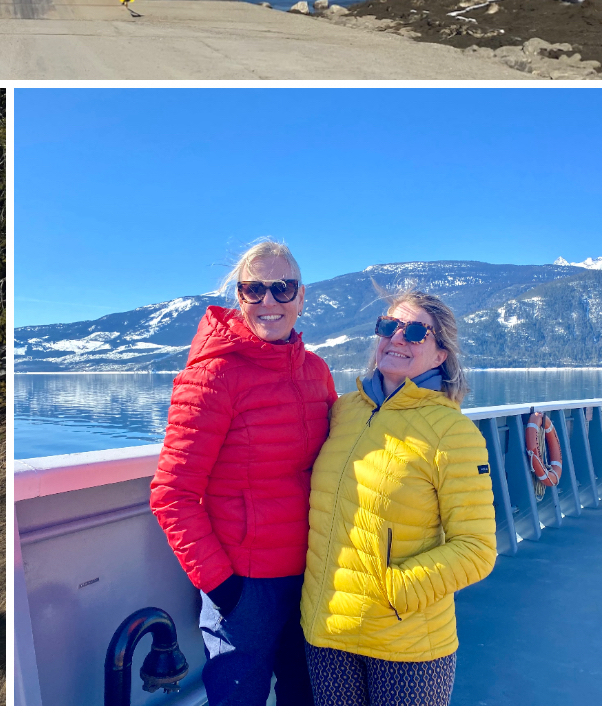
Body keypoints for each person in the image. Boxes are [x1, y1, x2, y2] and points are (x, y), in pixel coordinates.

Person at [151, 240, 337, 705]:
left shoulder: (316, 371)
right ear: (240, 297)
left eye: (282, 288)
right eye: (254, 290)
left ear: (301, 297)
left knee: (307, 697)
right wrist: (221, 586)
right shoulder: (213, 375)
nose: (269, 301)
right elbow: (172, 494)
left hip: (312, 576)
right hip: (245, 586)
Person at [300, 290, 497, 706]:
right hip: (327, 631)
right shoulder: (345, 411)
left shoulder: (452, 433)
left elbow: (477, 549)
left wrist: (394, 591)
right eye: (388, 326)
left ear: (441, 355)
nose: (397, 339)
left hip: (405, 642)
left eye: (415, 332)